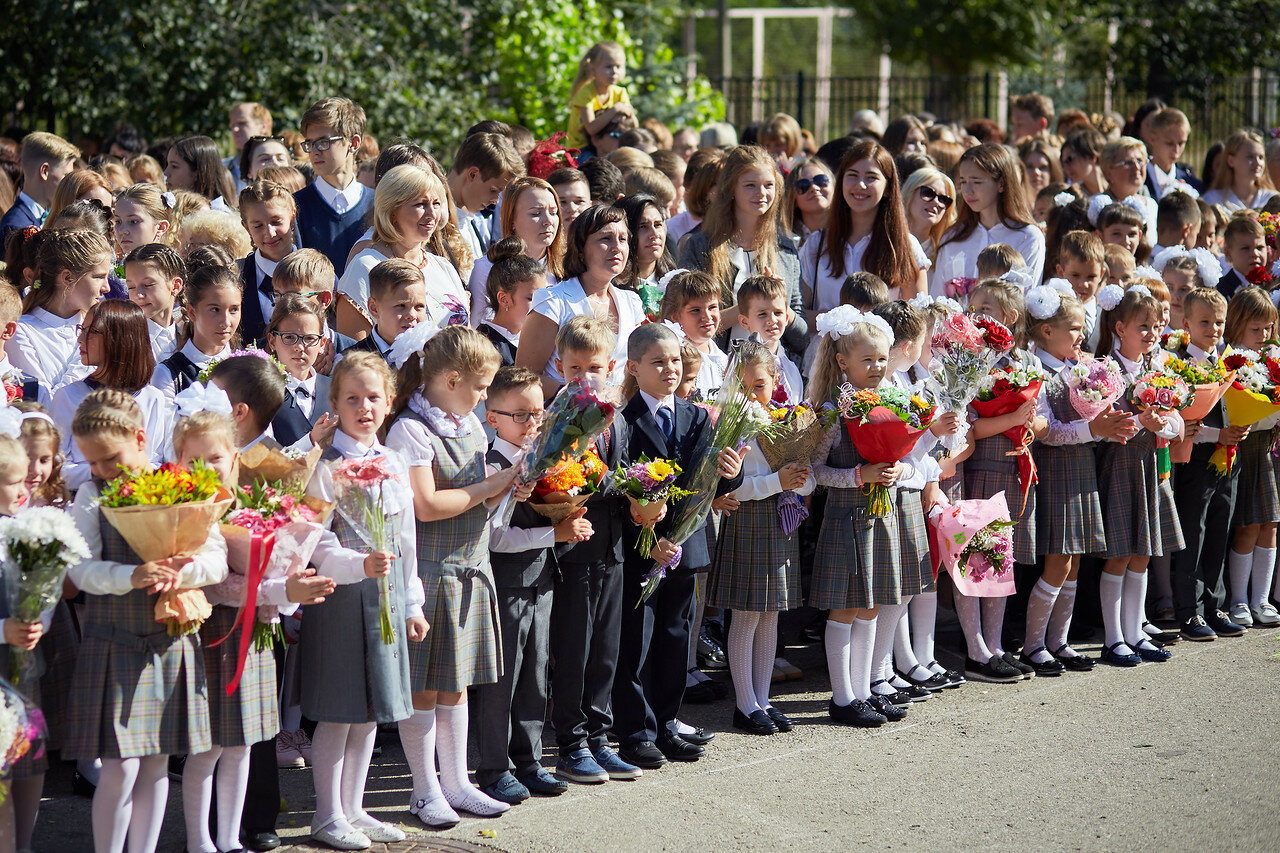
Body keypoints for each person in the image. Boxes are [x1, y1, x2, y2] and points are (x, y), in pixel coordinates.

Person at [64, 389, 228, 853]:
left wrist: (185, 570)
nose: (99, 471)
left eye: (109, 460)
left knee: (156, 762)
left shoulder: (179, 486)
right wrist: (130, 576)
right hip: (113, 640)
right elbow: (79, 568)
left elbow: (215, 558)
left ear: (140, 438)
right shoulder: (91, 496)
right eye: (91, 462)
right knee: (119, 765)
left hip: (169, 641)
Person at [171, 396, 333, 853]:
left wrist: (284, 578)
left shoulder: (255, 503)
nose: (206, 468)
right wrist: (282, 592)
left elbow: (275, 559)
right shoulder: (183, 512)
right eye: (193, 460)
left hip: (256, 637)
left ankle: (229, 837)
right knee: (206, 749)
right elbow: (220, 586)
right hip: (211, 635)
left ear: (236, 459)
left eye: (216, 458)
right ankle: (199, 840)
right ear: (177, 463)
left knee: (243, 745)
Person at [385, 325, 520, 825]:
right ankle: (423, 790)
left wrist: (508, 490)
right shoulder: (411, 430)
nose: (486, 396)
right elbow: (425, 505)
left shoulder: (469, 425)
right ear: (452, 378)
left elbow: (479, 500)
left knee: (456, 683)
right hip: (430, 571)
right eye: (482, 386)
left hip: (470, 565)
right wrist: (492, 485)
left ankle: (457, 782)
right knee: (424, 685)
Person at [295, 351, 424, 848]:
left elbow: (405, 538)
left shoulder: (392, 461)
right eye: (352, 398)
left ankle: (354, 807)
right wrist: (355, 565)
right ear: (335, 404)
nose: (364, 407)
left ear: (389, 402)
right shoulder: (326, 466)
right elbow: (315, 539)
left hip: (387, 597)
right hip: (342, 598)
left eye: (373, 397)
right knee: (339, 709)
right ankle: (326, 814)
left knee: (371, 708)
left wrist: (411, 603)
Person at [613, 323, 743, 769]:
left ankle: (667, 722)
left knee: (675, 637)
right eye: (658, 362)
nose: (670, 370)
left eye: (674, 361)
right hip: (641, 551)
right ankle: (634, 731)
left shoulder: (696, 416)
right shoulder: (622, 422)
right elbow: (617, 490)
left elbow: (712, 482)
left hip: (686, 548)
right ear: (634, 368)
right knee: (638, 641)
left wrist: (732, 470)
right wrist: (647, 540)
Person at [471, 365, 582, 803]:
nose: (532, 423)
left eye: (538, 413)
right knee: (504, 678)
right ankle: (494, 767)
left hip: (542, 578)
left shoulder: (547, 458)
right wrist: (550, 534)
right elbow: (493, 538)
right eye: (520, 415)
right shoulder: (489, 464)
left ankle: (529, 759)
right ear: (492, 417)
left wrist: (570, 523)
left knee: (536, 673)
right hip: (505, 583)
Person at [706, 343, 812, 735]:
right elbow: (732, 491)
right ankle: (745, 703)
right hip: (748, 521)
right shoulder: (732, 425)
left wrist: (801, 481)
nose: (753, 393)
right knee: (747, 615)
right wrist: (776, 482)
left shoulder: (785, 420)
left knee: (771, 615)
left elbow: (808, 475)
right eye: (744, 385)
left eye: (761, 385)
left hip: (780, 524)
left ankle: (764, 700)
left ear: (776, 381)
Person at [807, 306, 905, 727]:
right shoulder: (831, 410)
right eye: (867, 359)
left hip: (880, 516)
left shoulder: (892, 400)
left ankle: (864, 690)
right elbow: (814, 470)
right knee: (846, 608)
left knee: (872, 607)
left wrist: (899, 469)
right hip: (846, 517)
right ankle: (843, 698)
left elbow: (904, 452)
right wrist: (857, 475)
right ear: (843, 361)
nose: (877, 366)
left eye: (882, 358)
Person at [1026, 285, 1125, 672]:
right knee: (1058, 560)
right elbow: (1046, 431)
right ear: (1046, 330)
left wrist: (1107, 426)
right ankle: (1034, 646)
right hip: (1056, 470)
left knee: (1075, 560)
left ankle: (1059, 641)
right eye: (1073, 328)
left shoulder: (1079, 367)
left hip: (1083, 466)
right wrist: (1092, 429)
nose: (1081, 336)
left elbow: (1090, 418)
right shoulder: (1034, 370)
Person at [958, 281, 1045, 682]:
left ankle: (994, 645)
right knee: (975, 555)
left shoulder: (1026, 362)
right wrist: (1010, 420)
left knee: (1001, 559)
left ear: (1010, 318)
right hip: (981, 468)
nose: (977, 316)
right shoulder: (967, 361)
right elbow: (967, 425)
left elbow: (1042, 417)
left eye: (986, 309)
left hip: (1013, 465)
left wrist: (1032, 425)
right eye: (972, 308)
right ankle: (975, 649)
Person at [1173, 286, 1269, 642]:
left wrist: (1240, 428)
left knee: (1219, 531)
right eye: (1204, 322)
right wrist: (1219, 436)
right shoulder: (1181, 364)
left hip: (1230, 460)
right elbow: (1185, 425)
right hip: (1197, 460)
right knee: (1193, 534)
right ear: (1186, 323)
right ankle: (1189, 611)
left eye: (1218, 322)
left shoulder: (1229, 361)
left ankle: (1215, 606)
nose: (1213, 329)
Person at [1094, 283, 1182, 665]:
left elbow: (1177, 421)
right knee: (1120, 554)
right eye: (1143, 326)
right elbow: (1100, 422)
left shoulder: (1157, 369)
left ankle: (1135, 632)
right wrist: (1137, 420)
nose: (1151, 334)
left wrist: (1164, 423)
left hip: (1150, 468)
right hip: (1119, 466)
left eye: (1155, 326)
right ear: (1119, 328)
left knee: (1143, 553)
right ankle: (1113, 639)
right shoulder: (1104, 370)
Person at [676, 146, 808, 357]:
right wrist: (750, 305)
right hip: (715, 374)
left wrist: (780, 308)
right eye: (750, 185)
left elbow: (801, 338)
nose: (762, 193)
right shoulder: (700, 247)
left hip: (774, 376)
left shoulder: (785, 250)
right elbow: (685, 324)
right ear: (731, 189)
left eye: (769, 185)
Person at [517, 204, 644, 394]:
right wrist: (581, 397)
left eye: (623, 239)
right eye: (606, 239)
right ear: (581, 250)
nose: (617, 247)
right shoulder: (553, 302)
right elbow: (523, 377)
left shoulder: (631, 302)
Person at [50, 300, 172, 490]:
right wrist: (104, 470)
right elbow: (57, 469)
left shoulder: (152, 397)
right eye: (81, 330)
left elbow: (154, 459)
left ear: (120, 338)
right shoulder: (68, 396)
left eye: (91, 331)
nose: (80, 339)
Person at [338, 164, 468, 339]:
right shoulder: (366, 267)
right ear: (392, 211)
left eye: (436, 203)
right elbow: (354, 353)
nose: (432, 213)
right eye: (421, 204)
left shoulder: (443, 266)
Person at [801, 140, 929, 314]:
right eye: (852, 175)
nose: (860, 185)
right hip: (824, 340)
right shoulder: (816, 243)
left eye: (871, 177)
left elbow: (916, 319)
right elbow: (798, 313)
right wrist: (838, 321)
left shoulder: (906, 246)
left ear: (887, 188)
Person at [932, 143, 1046, 292]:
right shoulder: (953, 236)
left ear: (1001, 184)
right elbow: (937, 299)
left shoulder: (1028, 237)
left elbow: (1028, 301)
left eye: (976, 182)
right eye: (963, 182)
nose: (967, 190)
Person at [10, 229, 112, 392]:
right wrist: (85, 349)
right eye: (99, 277)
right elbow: (42, 402)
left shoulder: (104, 325)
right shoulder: (22, 331)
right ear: (67, 278)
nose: (107, 287)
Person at [466, 176, 564, 325]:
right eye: (536, 213)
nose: (548, 221)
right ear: (512, 221)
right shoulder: (487, 267)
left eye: (554, 212)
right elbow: (478, 329)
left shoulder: (568, 267)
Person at [294, 97, 372, 275]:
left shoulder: (378, 204)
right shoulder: (295, 207)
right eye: (310, 143)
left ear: (353, 143)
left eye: (324, 142)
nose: (314, 151)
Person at [151, 264, 239, 400]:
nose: (226, 321)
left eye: (233, 309)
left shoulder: (246, 365)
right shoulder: (169, 375)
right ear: (192, 312)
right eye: (215, 309)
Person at [265, 294, 337, 448]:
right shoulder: (263, 393)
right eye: (289, 337)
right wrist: (311, 440)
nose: (299, 347)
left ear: (322, 343)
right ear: (272, 341)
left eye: (309, 339)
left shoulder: (337, 389)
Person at [236, 179, 298, 345]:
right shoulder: (235, 275)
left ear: (292, 216)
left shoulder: (317, 272)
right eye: (258, 226)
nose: (269, 233)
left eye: (276, 222)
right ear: (246, 227)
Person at [447, 133, 524, 261]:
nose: (495, 201)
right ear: (473, 175)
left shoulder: (468, 221)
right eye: (493, 190)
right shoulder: (434, 222)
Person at [477, 238, 548, 367]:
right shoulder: (482, 348)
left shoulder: (539, 340)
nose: (541, 305)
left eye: (543, 298)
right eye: (531, 298)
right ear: (504, 299)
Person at [659, 270, 729, 399]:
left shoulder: (724, 359)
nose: (707, 316)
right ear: (676, 317)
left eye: (712, 307)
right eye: (696, 310)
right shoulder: (676, 359)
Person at [0, 132, 80, 244]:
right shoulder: (15, 227)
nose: (69, 184)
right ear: (44, 171)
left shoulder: (52, 219)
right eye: (65, 176)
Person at [566, 41, 634, 150]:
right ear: (593, 69)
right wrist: (615, 109)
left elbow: (633, 123)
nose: (614, 71)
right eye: (609, 67)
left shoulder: (620, 93)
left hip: (608, 144)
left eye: (618, 66)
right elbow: (591, 128)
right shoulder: (585, 93)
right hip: (580, 149)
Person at [615, 194, 674, 316]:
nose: (654, 234)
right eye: (643, 227)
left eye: (658, 225)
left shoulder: (675, 283)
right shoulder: (610, 289)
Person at [1202, 129, 1277, 213]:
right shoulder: (1212, 199)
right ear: (1231, 161)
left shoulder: (1272, 199)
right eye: (1250, 157)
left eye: (1261, 157)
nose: (1257, 163)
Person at [165, 136, 238, 211]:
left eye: (174, 166)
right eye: (167, 165)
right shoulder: (169, 208)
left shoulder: (218, 216)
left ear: (197, 172)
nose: (166, 172)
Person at [1143, 108, 1202, 199]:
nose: (1176, 149)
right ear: (1152, 139)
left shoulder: (1191, 184)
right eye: (1169, 143)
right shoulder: (1137, 179)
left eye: (1181, 143)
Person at [901, 166, 956, 263]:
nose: (936, 202)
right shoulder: (882, 240)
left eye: (943, 199)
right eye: (928, 193)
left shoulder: (946, 254)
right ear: (909, 193)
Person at [780, 157, 834, 245]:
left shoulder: (852, 231)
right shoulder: (784, 240)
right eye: (803, 185)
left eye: (821, 180)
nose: (814, 188)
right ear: (793, 198)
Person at [1213, 214, 1268, 300]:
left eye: (1260, 247)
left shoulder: (1271, 285)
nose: (1255, 254)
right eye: (1245, 248)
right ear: (1228, 254)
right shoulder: (1221, 292)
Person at [114, 183, 175, 255]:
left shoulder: (167, 265)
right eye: (118, 221)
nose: (122, 231)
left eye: (133, 221)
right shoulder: (113, 263)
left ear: (161, 227)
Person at [226, 103, 273, 190]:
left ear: (263, 127)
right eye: (232, 125)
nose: (235, 129)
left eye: (242, 123)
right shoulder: (222, 168)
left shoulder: (279, 165)